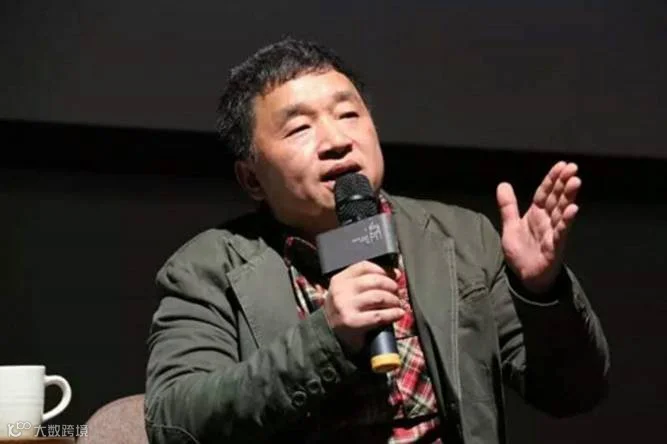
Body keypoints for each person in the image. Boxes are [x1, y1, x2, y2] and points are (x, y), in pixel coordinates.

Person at [144, 37, 610, 444]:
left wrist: (540, 293)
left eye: (349, 114)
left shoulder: (460, 236)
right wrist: (326, 337)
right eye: (300, 128)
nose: (336, 140)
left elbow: (574, 393)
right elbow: (175, 422)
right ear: (251, 179)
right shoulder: (206, 269)